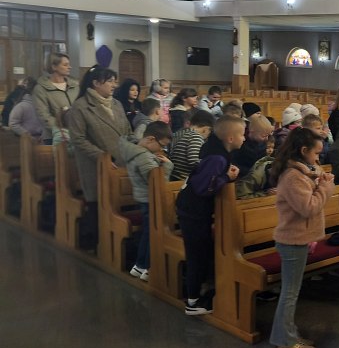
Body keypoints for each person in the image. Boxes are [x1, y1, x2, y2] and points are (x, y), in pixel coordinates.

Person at [268, 127, 336, 348]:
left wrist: (319, 181)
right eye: (316, 153)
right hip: (292, 241)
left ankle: (289, 334)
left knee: (291, 292)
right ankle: (285, 341)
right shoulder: (292, 177)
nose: (318, 158)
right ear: (304, 150)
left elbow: (311, 192)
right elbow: (308, 207)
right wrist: (325, 187)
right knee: (289, 293)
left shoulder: (303, 172)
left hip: (299, 239)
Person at [176, 116, 245, 315]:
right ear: (230, 138)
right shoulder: (217, 158)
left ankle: (201, 293)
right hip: (193, 212)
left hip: (195, 211)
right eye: (242, 134)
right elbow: (203, 187)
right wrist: (226, 177)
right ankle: (193, 301)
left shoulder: (218, 153)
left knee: (202, 252)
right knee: (196, 255)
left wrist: (225, 175)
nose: (244, 138)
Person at [66, 66, 132, 249]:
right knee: (98, 205)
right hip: (95, 164)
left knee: (120, 203)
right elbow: (78, 139)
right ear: (96, 83)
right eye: (110, 81)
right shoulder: (81, 106)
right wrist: (103, 157)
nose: (114, 85)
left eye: (114, 81)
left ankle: (118, 246)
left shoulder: (117, 104)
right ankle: (97, 244)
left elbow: (127, 131)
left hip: (121, 162)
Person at [118, 121, 173, 282]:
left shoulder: (137, 151)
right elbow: (157, 183)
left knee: (148, 233)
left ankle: (140, 266)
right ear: (150, 139)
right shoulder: (143, 156)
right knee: (152, 234)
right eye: (162, 145)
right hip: (150, 200)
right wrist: (168, 167)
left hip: (144, 198)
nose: (162, 150)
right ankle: (148, 267)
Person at [32, 53, 79, 143]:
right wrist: (62, 129)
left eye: (69, 64)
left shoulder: (75, 86)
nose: (70, 67)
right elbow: (43, 115)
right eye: (65, 65)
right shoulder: (41, 89)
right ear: (54, 67)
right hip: (54, 137)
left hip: (76, 134)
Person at [169, 110, 215, 181]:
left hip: (176, 176)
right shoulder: (196, 137)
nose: (207, 137)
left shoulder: (186, 134)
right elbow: (193, 161)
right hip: (182, 179)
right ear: (206, 129)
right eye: (210, 132)